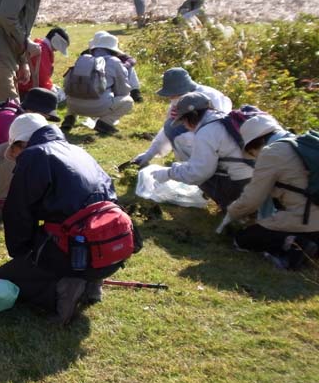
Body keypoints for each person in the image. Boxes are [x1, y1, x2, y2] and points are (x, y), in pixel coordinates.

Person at [0, 114, 126, 325]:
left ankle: (64, 290)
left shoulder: (35, 155)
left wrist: (22, 255)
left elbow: (18, 211)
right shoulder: (77, 150)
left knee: (1, 281)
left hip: (75, 251)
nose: (15, 158)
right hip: (110, 250)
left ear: (21, 143)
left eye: (15, 152)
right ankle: (92, 283)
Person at [227, 115, 318, 270]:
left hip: (306, 220)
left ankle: (296, 246)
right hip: (312, 218)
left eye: (252, 153)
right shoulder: (303, 144)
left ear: (255, 144)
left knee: (242, 239)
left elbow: (252, 199)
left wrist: (232, 213)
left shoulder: (273, 151)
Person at [150, 92, 253, 211]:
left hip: (243, 186)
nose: (185, 126)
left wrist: (169, 173)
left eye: (183, 121)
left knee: (204, 176)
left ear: (192, 115)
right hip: (260, 180)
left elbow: (197, 173)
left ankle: (233, 208)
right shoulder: (222, 119)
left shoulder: (207, 131)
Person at [131, 67, 232, 166]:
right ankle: (189, 165)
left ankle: (199, 167)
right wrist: (149, 154)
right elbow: (168, 128)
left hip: (217, 142)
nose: (170, 98)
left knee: (181, 135)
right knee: (171, 127)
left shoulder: (211, 96)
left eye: (172, 94)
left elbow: (218, 129)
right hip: (199, 136)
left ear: (183, 91)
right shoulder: (178, 100)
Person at [61, 31, 133, 135]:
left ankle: (69, 118)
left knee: (78, 91)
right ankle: (105, 123)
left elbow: (69, 84)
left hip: (72, 105)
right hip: (97, 108)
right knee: (128, 101)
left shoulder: (83, 59)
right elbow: (123, 90)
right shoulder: (114, 62)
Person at [18, 27, 70, 100]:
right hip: (28, 90)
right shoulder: (43, 51)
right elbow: (42, 78)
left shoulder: (41, 47)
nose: (57, 50)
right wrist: (51, 87)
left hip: (26, 87)